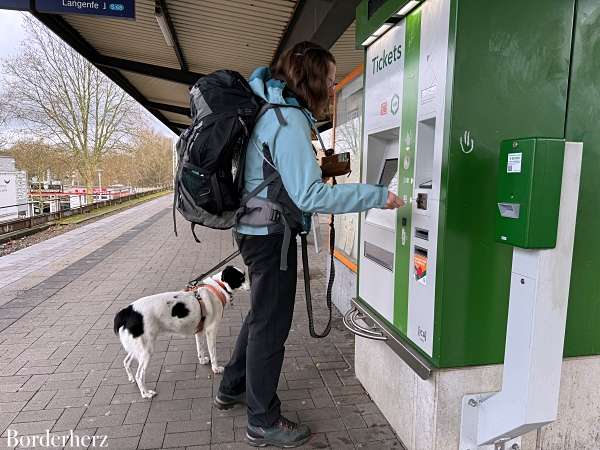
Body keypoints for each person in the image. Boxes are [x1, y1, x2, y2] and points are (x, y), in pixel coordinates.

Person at [214, 41, 404, 448]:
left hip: (257, 229)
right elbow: (311, 197)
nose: (333, 90)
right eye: (331, 81)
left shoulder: (274, 110)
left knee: (260, 315)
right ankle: (262, 420)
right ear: (313, 80)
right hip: (271, 237)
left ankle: (232, 385)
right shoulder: (287, 120)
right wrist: (375, 195)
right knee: (271, 326)